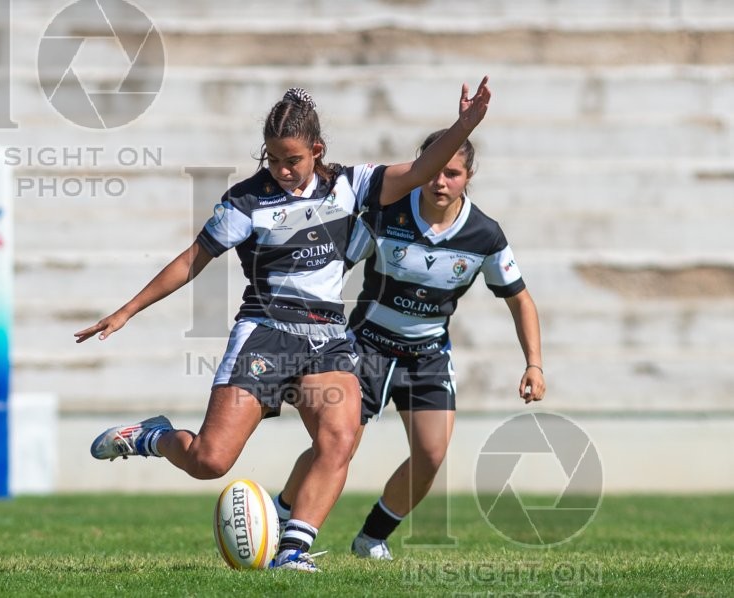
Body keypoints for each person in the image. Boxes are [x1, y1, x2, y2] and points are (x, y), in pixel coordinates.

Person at [74, 79, 492, 572]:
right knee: (211, 461)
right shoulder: (246, 201)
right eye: (271, 159)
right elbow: (192, 261)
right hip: (266, 332)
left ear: (317, 151)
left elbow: (421, 169)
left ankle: (293, 550)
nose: (281, 170)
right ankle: (151, 436)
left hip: (327, 338)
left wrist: (464, 125)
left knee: (339, 438)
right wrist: (127, 310)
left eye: (291, 159)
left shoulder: (349, 186)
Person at [274, 129, 545, 560]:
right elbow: (333, 267)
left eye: (452, 174)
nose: (440, 182)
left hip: (427, 355)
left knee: (431, 456)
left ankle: (371, 538)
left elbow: (521, 299)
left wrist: (534, 363)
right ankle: (282, 513)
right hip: (366, 348)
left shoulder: (484, 235)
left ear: (468, 176)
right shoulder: (387, 215)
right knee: (336, 444)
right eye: (434, 171)